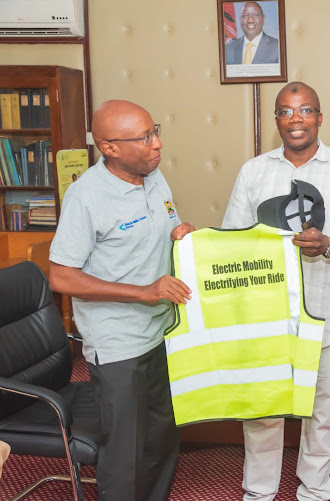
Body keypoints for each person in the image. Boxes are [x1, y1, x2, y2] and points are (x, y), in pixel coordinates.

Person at [222, 81, 330, 501]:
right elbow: (231, 242)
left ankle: (314, 490)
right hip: (266, 316)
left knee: (322, 411)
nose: (296, 119)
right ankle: (259, 493)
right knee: (263, 412)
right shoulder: (253, 172)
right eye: (286, 112)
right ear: (276, 119)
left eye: (305, 110)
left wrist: (328, 244)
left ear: (319, 117)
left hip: (326, 314)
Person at [48, 100, 195, 500]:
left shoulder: (153, 176)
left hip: (161, 331)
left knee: (163, 440)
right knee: (126, 452)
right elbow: (61, 276)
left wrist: (180, 234)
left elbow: (154, 233)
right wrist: (144, 293)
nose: (157, 143)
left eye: (155, 130)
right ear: (109, 147)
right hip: (118, 344)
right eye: (145, 137)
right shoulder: (86, 197)